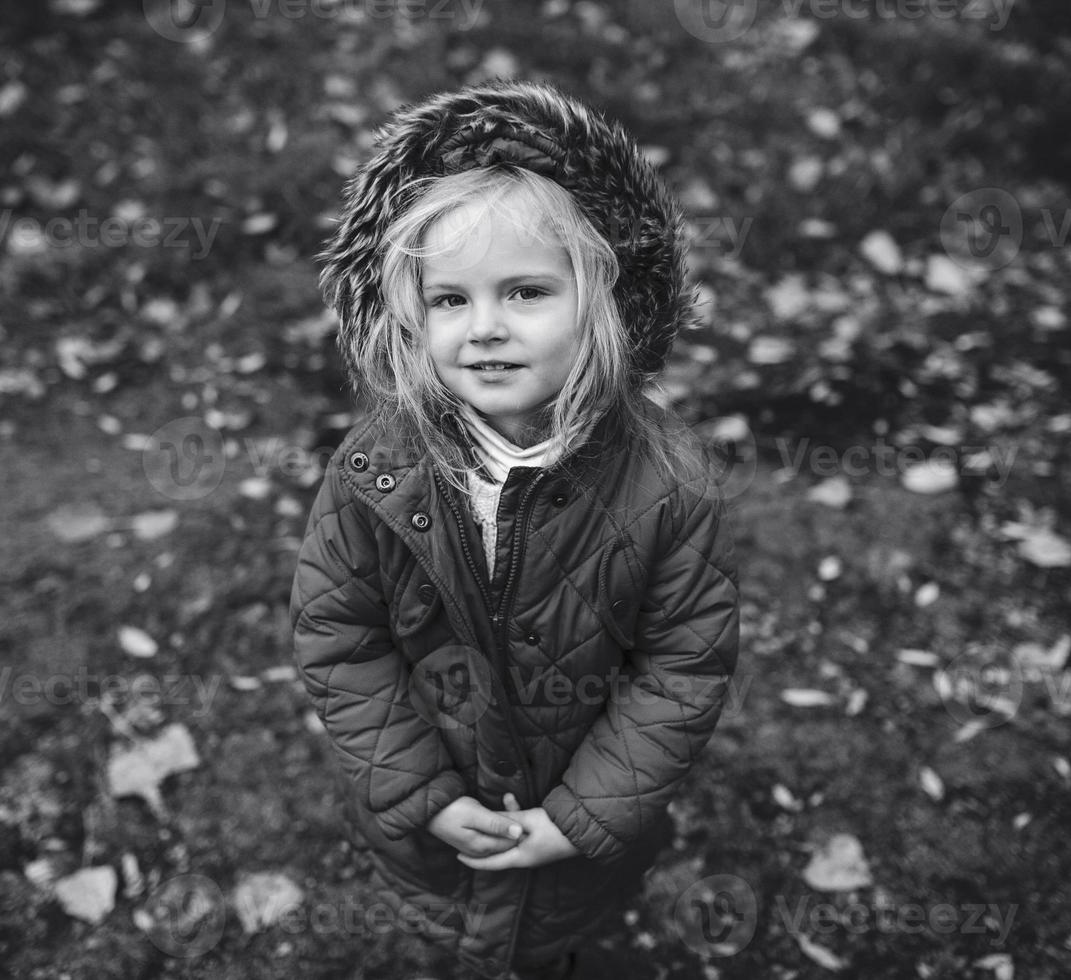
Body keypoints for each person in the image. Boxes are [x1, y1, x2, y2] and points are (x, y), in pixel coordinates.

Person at [291, 79, 740, 980]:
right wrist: (420, 790)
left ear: (605, 300)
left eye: (526, 291)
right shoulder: (376, 469)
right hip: (437, 813)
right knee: (451, 934)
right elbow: (339, 634)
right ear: (408, 314)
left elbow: (681, 665)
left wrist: (581, 815)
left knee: (564, 942)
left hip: (582, 819)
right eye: (450, 300)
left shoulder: (669, 481)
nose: (484, 329)